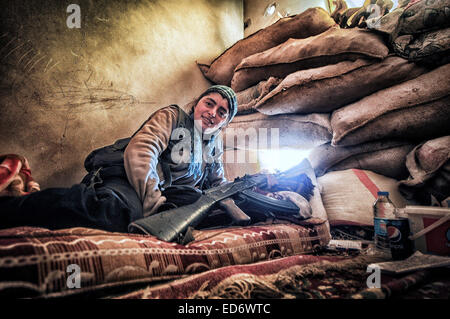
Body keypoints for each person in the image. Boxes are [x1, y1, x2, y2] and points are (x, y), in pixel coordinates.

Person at [0, 85, 238, 233]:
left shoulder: (214, 145)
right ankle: (10, 207)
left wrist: (240, 201)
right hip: (127, 177)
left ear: (225, 123)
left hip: (161, 192)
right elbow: (142, 152)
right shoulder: (173, 117)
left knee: (198, 199)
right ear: (197, 104)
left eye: (221, 113)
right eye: (209, 103)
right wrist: (155, 206)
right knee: (112, 213)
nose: (212, 113)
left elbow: (218, 183)